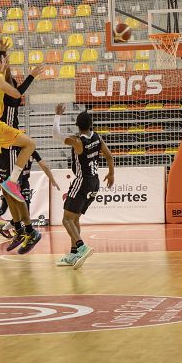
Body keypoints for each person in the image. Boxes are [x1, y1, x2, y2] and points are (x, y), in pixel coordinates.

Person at [0, 48, 42, 254]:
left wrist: (6, 62)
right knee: (30, 145)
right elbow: (17, 91)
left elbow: (4, 79)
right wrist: (32, 75)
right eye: (4, 61)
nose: (6, 64)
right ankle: (23, 228)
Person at [52, 104, 114, 268]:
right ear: (91, 125)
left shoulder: (77, 141)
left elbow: (55, 134)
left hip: (82, 182)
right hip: (95, 182)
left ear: (77, 126)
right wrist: (111, 173)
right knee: (75, 218)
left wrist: (58, 115)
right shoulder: (97, 138)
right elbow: (109, 156)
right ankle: (73, 253)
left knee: (66, 220)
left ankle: (82, 247)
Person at [0, 149, 61, 248]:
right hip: (14, 181)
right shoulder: (18, 149)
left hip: (18, 181)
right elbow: (44, 167)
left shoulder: (23, 150)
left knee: (21, 210)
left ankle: (16, 230)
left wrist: (52, 180)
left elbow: (44, 166)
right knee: (6, 208)